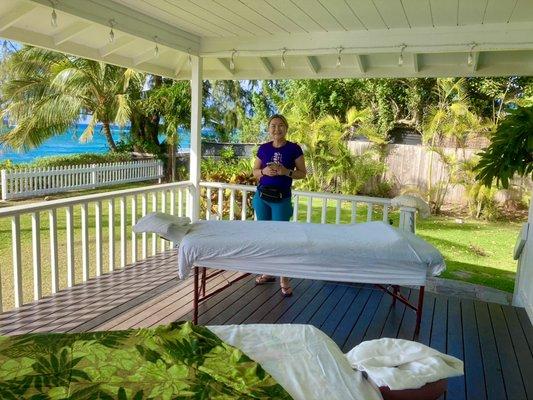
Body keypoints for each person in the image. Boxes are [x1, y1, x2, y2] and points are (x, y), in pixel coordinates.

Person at [252, 114, 307, 297]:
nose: (277, 129)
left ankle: (284, 278)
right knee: (266, 236)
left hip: (281, 200)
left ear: (286, 128)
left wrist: (286, 171)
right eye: (273, 126)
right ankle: (268, 272)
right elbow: (254, 171)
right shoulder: (264, 148)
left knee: (282, 238)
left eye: (281, 125)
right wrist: (263, 171)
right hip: (262, 198)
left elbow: (302, 173)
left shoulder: (294, 149)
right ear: (269, 129)